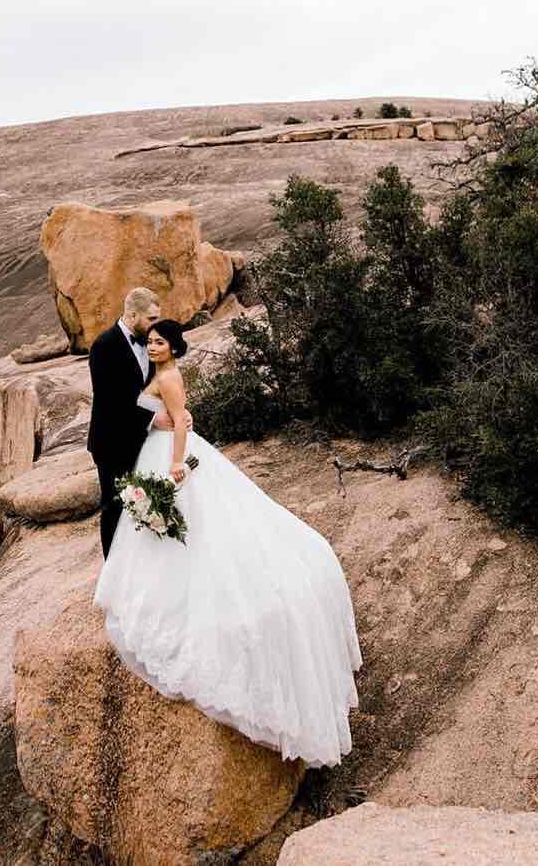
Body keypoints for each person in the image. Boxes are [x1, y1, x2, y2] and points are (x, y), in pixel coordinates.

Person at [93, 318, 363, 769]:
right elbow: (149, 412)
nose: (154, 347)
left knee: (199, 528)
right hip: (152, 451)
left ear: (172, 347)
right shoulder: (151, 372)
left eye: (160, 342)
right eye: (151, 341)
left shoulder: (170, 375)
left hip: (171, 457)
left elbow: (179, 422)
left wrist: (177, 465)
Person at [86, 287, 192, 558]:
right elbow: (111, 400)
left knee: (148, 502)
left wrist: (179, 411)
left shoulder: (150, 341)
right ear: (132, 315)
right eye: (151, 319)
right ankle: (114, 572)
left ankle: (147, 565)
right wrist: (154, 418)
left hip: (146, 442)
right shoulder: (104, 346)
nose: (156, 326)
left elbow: (159, 385)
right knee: (116, 505)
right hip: (113, 441)